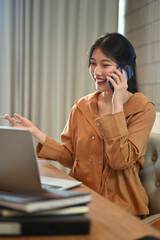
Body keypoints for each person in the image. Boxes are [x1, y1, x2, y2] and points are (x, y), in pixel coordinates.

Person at [5, 33, 155, 216]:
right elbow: (72, 158)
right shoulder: (82, 106)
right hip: (82, 196)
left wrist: (117, 105)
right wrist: (35, 132)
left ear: (125, 70)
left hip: (121, 206)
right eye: (93, 63)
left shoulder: (143, 109)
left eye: (105, 64)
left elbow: (119, 161)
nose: (96, 71)